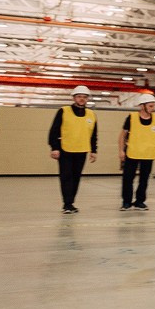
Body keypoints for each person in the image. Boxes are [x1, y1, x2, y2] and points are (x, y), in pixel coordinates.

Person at [48, 85, 98, 214]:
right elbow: (54, 130)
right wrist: (54, 147)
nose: (82, 99)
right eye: (79, 96)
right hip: (65, 150)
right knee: (66, 177)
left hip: (82, 150)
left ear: (87, 99)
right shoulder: (64, 111)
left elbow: (93, 134)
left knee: (76, 177)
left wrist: (94, 150)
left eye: (84, 97)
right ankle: (67, 204)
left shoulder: (91, 114)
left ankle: (70, 202)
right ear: (74, 98)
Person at [118, 93, 155, 211]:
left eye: (153, 106)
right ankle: (126, 202)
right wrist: (121, 151)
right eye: (150, 106)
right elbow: (122, 136)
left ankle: (140, 201)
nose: (153, 108)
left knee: (144, 179)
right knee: (128, 179)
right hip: (132, 153)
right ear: (142, 106)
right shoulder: (131, 118)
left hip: (148, 154)